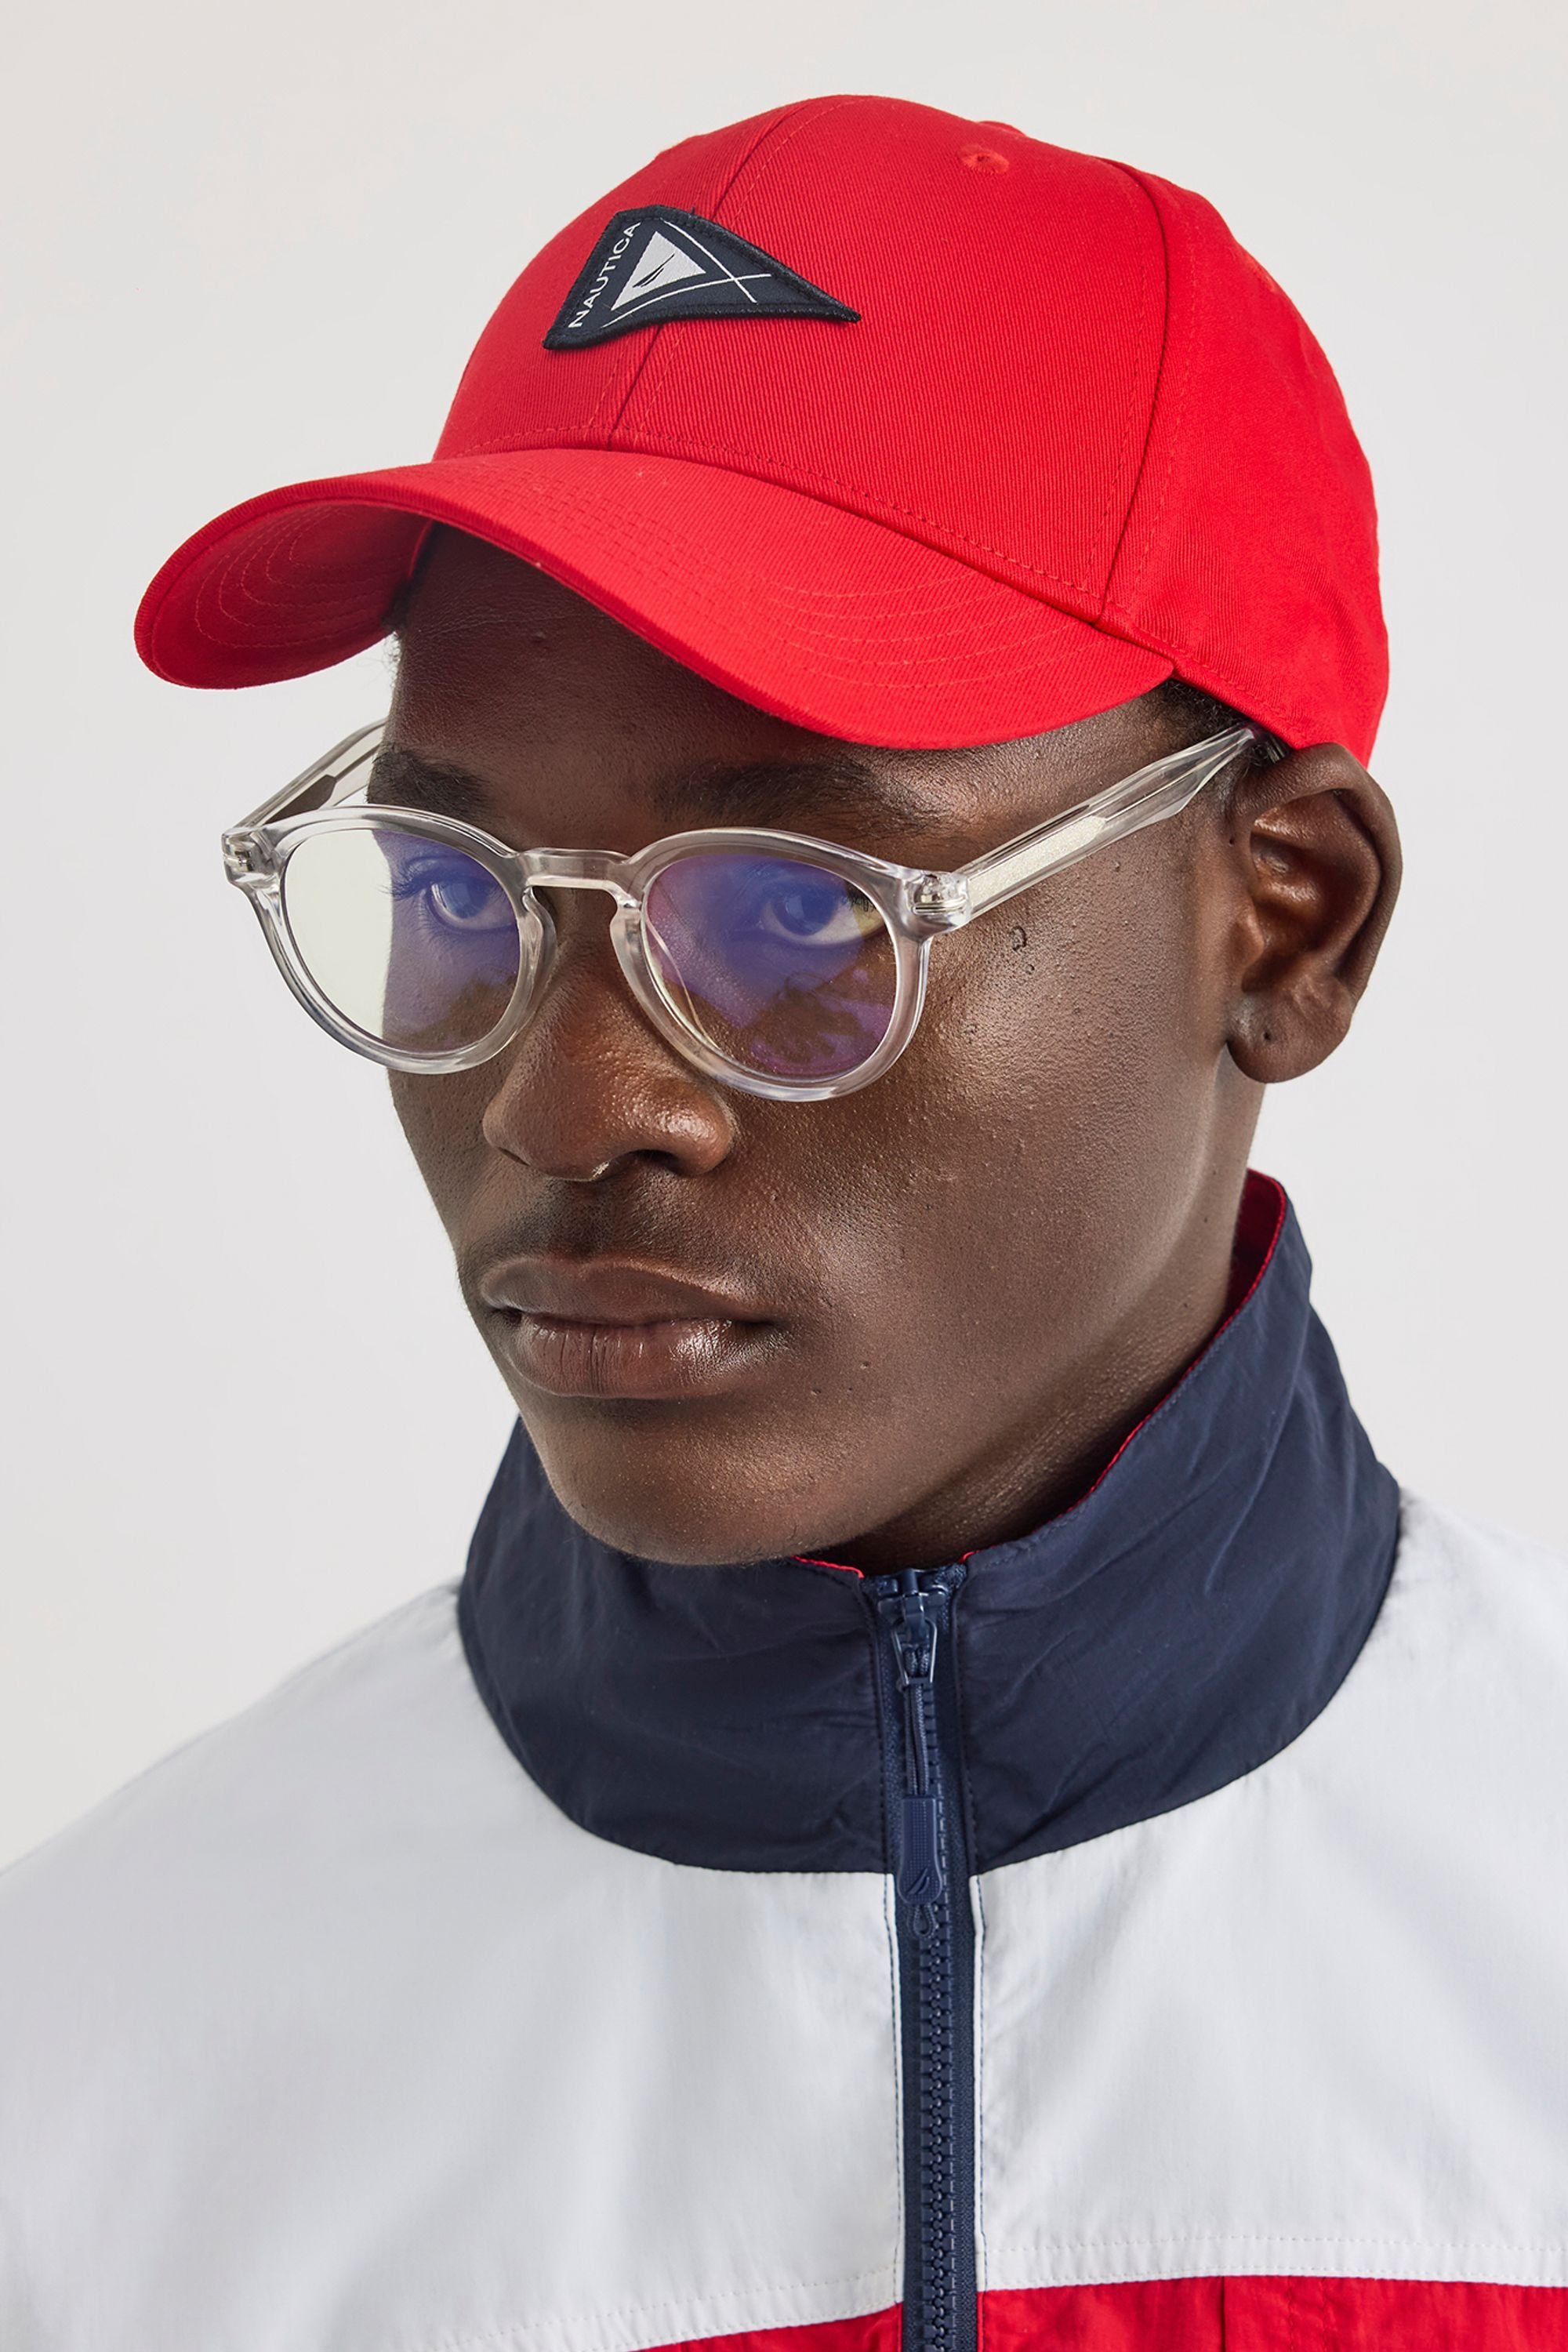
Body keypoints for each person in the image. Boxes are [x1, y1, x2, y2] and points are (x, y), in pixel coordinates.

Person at [2, 90, 1564, 2352]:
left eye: (802, 911)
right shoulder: (83, 2089)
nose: (560, 1103)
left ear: (1288, 920)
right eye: (455, 894)